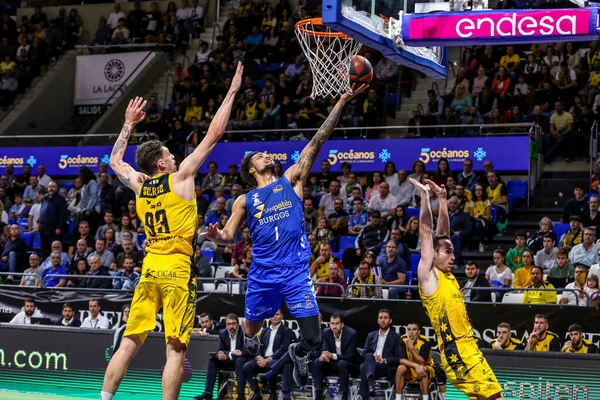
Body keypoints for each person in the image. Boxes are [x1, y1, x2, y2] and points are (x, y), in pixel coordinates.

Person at [203, 83, 368, 387]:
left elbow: (317, 141)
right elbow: (227, 237)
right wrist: (216, 236)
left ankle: (297, 353)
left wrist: (342, 101)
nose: (266, 155)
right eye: (260, 155)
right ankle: (251, 344)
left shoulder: (291, 179)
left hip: (295, 272)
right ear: (251, 168)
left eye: (267, 154)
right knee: (250, 329)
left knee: (313, 338)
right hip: (263, 273)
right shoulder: (245, 199)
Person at [101, 63, 244, 400]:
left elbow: (114, 161)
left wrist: (128, 124)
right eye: (168, 153)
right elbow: (214, 134)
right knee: (175, 351)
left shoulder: (139, 184)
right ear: (162, 164)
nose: (173, 155)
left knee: (128, 343)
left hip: (149, 268)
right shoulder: (180, 178)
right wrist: (233, 90)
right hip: (178, 271)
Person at [410, 177, 503, 399]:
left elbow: (443, 235)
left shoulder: (447, 275)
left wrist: (442, 201)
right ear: (433, 255)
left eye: (452, 252)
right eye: (448, 252)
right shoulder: (429, 277)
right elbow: (426, 232)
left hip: (469, 347)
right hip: (457, 351)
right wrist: (424, 197)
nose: (453, 256)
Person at [241, 309, 295, 400]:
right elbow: (259, 347)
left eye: (277, 314)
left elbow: (283, 349)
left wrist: (268, 359)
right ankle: (257, 393)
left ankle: (273, 393)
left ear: (281, 316)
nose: (275, 316)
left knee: (272, 365)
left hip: (277, 359)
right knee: (247, 366)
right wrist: (259, 357)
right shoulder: (264, 331)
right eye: (273, 314)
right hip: (263, 359)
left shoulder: (287, 331)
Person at [194, 314, 248, 400]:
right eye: (229, 324)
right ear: (226, 325)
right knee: (212, 360)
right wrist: (222, 354)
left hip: (239, 360)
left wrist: (229, 355)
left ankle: (241, 394)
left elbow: (244, 351)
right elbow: (221, 349)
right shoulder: (223, 333)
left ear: (238, 324)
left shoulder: (244, 332)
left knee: (240, 360)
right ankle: (208, 392)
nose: (231, 326)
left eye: (233, 323)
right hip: (227, 359)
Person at [313, 314, 358, 400]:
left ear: (342, 324)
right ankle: (318, 393)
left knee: (342, 363)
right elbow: (325, 349)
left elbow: (350, 356)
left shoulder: (351, 334)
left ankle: (344, 395)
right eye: (332, 323)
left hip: (350, 365)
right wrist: (324, 356)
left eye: (337, 323)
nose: (334, 326)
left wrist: (332, 356)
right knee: (318, 362)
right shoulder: (326, 332)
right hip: (333, 363)